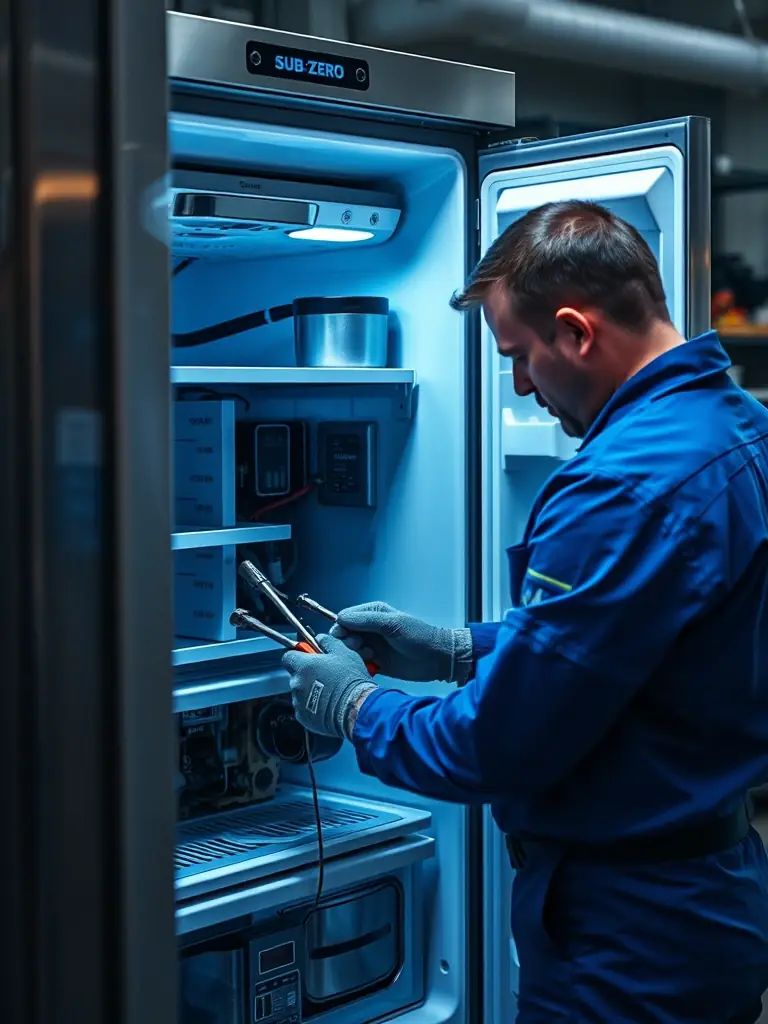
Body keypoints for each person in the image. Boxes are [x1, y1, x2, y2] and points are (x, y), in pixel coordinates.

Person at [282, 200, 768, 1022]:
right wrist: (457, 649)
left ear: (576, 332)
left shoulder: (620, 485)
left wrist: (356, 706)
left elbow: (492, 749)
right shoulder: (741, 429)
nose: (517, 384)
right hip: (710, 890)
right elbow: (646, 638)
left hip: (625, 929)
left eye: (518, 355)